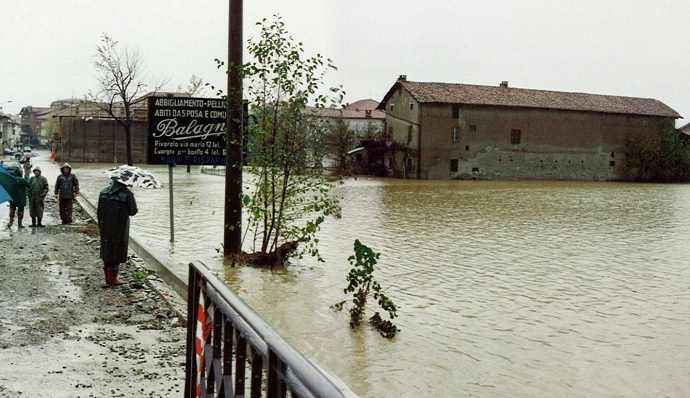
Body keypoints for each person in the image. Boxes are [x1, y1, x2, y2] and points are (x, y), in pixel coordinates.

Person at [97, 178, 138, 287]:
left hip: (105, 226)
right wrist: (131, 195)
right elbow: (133, 211)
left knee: (107, 249)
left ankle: (107, 277)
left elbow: (99, 211)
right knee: (117, 250)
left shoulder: (103, 192)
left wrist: (100, 225)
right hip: (120, 227)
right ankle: (112, 278)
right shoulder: (127, 194)